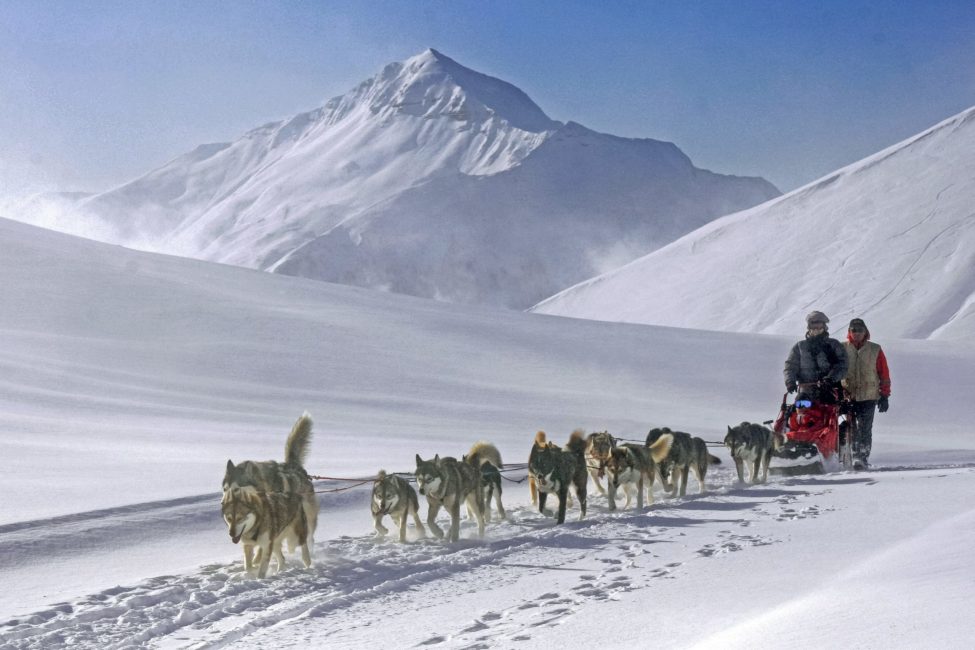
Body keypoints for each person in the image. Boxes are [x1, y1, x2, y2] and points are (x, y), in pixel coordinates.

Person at [840, 317, 891, 469]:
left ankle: (861, 458)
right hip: (848, 395)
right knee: (850, 427)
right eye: (853, 330)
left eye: (859, 330)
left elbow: (884, 374)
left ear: (865, 332)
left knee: (865, 428)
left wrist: (885, 395)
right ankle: (850, 455)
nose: (856, 333)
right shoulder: (842, 348)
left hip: (869, 395)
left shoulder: (875, 349)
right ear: (849, 331)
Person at [783, 311, 848, 404]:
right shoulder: (800, 346)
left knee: (827, 415)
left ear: (824, 327)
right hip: (806, 393)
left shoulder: (834, 345)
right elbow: (790, 367)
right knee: (798, 414)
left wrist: (831, 378)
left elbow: (842, 365)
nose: (816, 330)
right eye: (813, 327)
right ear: (809, 327)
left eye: (819, 327)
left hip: (829, 391)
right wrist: (790, 381)